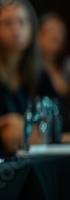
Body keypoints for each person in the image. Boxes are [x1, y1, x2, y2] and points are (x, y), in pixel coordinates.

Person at [0, 0, 57, 155]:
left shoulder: (39, 73)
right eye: (8, 23)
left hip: (38, 155)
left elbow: (55, 116)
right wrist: (4, 123)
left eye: (22, 22)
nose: (16, 30)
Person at [38, 12, 70, 140]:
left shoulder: (66, 67)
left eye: (61, 32)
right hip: (48, 137)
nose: (56, 36)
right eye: (50, 30)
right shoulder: (32, 71)